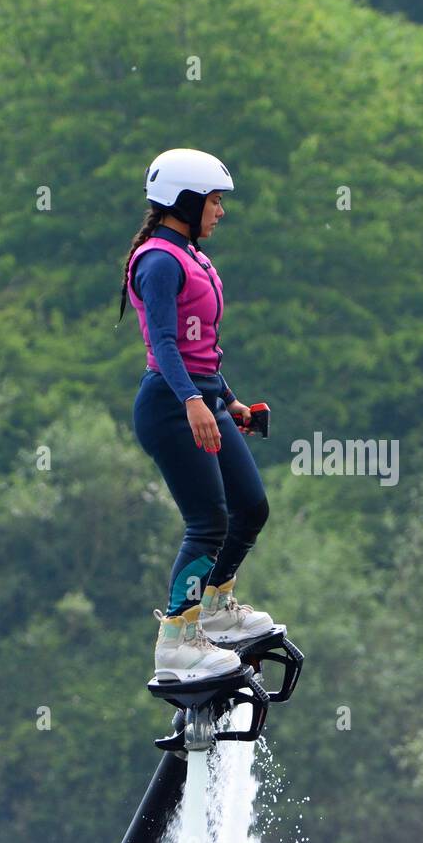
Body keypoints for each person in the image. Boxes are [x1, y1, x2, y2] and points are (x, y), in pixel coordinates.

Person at [121, 148, 278, 682]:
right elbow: (163, 344)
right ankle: (176, 640)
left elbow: (200, 349)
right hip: (170, 407)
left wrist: (227, 401)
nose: (220, 211)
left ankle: (214, 607)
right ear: (185, 201)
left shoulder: (189, 254)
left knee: (251, 507)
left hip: (200, 398)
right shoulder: (160, 261)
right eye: (214, 201)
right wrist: (193, 402)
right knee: (208, 521)